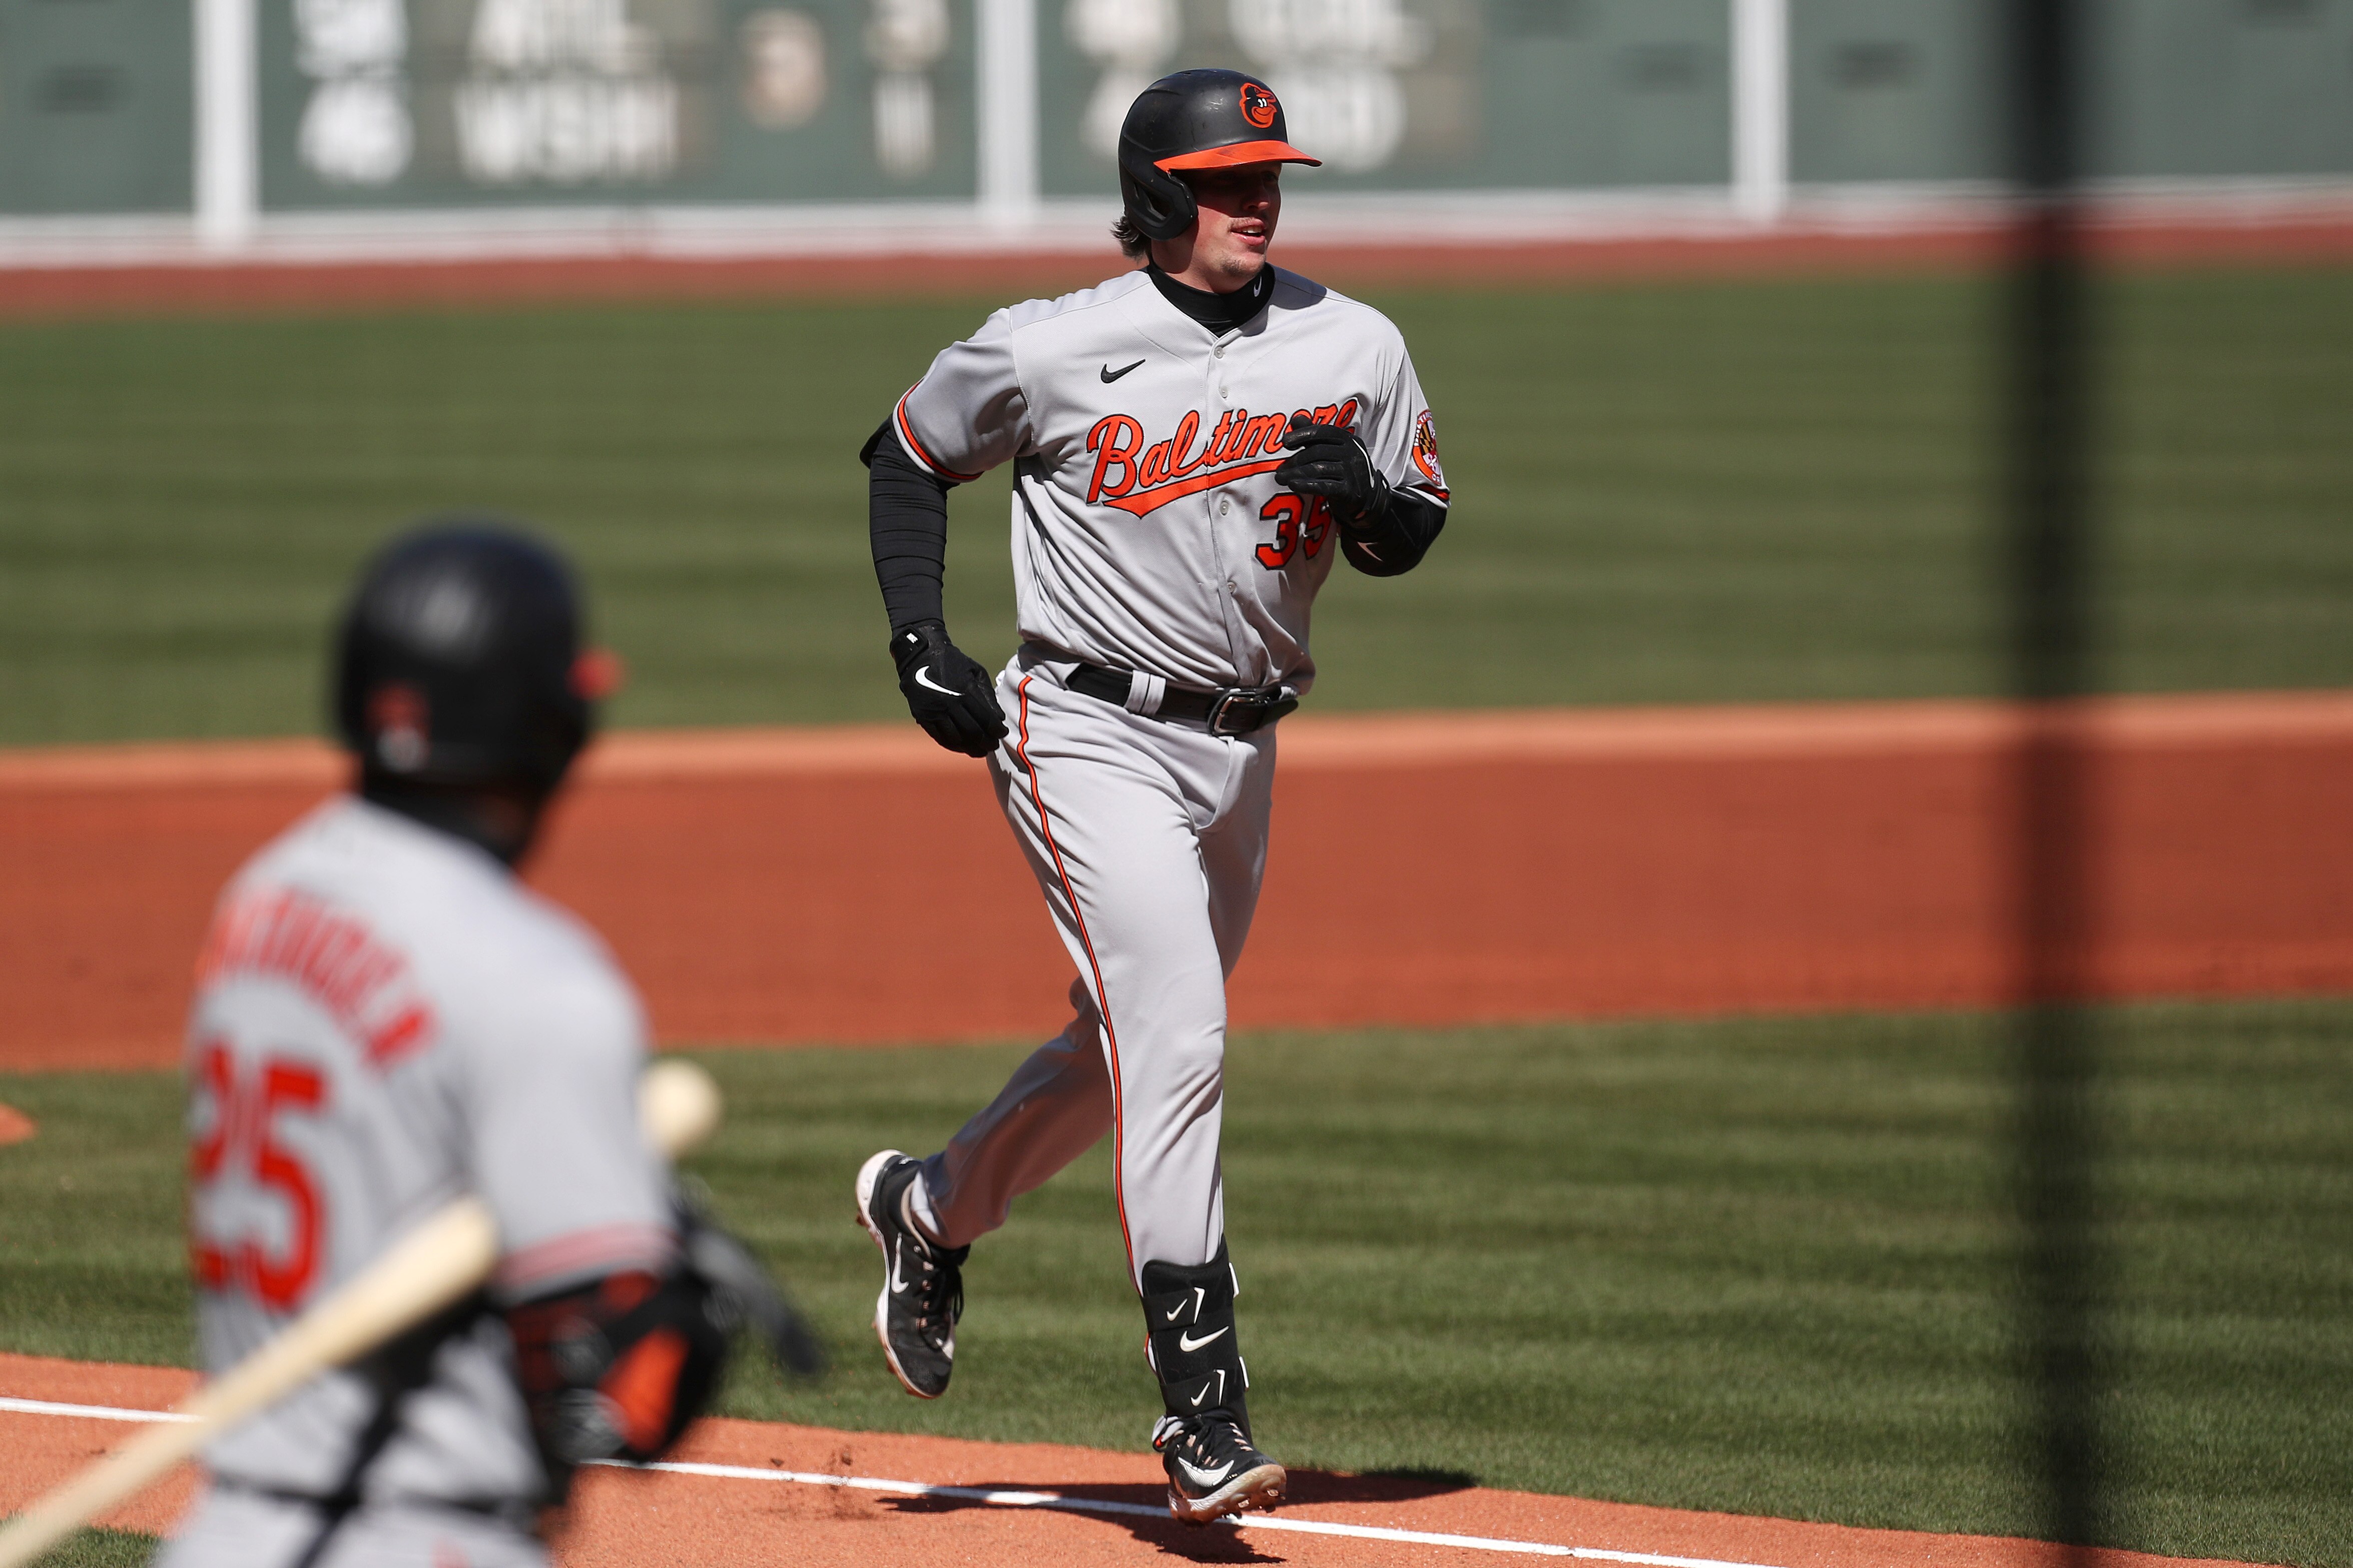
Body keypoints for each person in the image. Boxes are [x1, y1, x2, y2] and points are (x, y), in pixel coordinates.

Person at [852, 69, 1451, 1525]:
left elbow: (1411, 523)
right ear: (1153, 196)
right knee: (1178, 1023)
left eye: (1268, 175)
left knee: (1127, 1040)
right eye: (1223, 178)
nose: (1256, 198)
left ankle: (928, 1209)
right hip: (1079, 728)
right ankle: (1201, 1410)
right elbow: (906, 455)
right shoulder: (1052, 345)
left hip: (1244, 748)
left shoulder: (1351, 339)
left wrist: (1364, 502)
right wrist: (922, 641)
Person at [160, 523, 742, 1568]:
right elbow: (619, 1402)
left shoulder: (257, 905)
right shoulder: (534, 974)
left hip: (225, 1536)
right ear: (548, 725)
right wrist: (691, 1303)